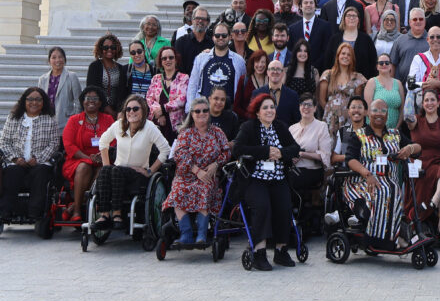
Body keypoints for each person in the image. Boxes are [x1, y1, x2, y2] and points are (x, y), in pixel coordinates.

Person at [233, 93, 300, 270]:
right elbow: (238, 149)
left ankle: (281, 250)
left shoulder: (280, 127)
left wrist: (281, 153)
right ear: (257, 112)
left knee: (284, 206)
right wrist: (264, 152)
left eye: (272, 107)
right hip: (254, 178)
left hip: (278, 177)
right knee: (262, 206)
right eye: (265, 108)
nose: (270, 110)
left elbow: (295, 148)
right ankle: (260, 252)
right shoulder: (249, 127)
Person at [343, 99, 422, 249]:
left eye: (383, 111)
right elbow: (350, 160)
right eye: (375, 110)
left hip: (389, 182)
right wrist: (367, 174)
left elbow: (419, 148)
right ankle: (376, 240)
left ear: (387, 115)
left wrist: (410, 149)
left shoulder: (395, 134)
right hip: (360, 182)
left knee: (393, 190)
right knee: (382, 191)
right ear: (368, 114)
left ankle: (391, 238)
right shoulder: (359, 135)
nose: (379, 114)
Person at [162, 96, 230, 246]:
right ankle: (186, 234)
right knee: (178, 191)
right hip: (187, 174)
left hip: (209, 175)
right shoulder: (186, 133)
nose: (202, 113)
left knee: (205, 189)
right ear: (192, 114)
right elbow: (179, 154)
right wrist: (196, 170)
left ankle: (201, 234)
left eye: (205, 110)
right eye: (197, 111)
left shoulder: (217, 132)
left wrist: (216, 164)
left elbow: (226, 152)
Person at [95, 95, 171, 230]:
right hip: (117, 172)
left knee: (115, 170)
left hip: (137, 175)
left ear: (143, 111)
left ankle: (117, 214)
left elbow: (166, 150)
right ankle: (105, 214)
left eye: (136, 109)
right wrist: (106, 164)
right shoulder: (119, 125)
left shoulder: (150, 127)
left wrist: (150, 171)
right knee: (106, 170)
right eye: (128, 109)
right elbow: (103, 142)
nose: (131, 112)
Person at [403, 89, 440, 243]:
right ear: (422, 103)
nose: (429, 103)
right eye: (426, 100)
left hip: (439, 160)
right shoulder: (416, 120)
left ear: (439, 102)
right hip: (420, 162)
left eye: (432, 100)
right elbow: (406, 114)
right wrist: (410, 92)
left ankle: (436, 202)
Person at [0, 87, 61, 221]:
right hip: (17, 162)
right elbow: (4, 142)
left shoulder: (50, 119)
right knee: (11, 173)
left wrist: (38, 159)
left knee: (41, 173)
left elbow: (54, 143)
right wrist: (16, 158)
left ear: (43, 102)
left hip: (40, 162)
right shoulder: (14, 118)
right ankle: (6, 211)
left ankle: (35, 211)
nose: (34, 102)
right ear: (24, 101)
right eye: (31, 99)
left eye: (38, 99)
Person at [61, 87, 115, 222]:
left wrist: (102, 155)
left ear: (101, 102)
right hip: (78, 159)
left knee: (103, 170)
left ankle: (75, 205)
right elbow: (68, 144)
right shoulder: (74, 120)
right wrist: (87, 158)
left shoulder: (108, 119)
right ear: (82, 102)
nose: (91, 101)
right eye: (87, 98)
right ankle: (78, 210)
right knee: (84, 167)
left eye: (95, 98)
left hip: (103, 158)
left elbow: (114, 141)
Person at [187, 22, 246, 113]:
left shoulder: (239, 61)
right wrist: (190, 109)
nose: (221, 38)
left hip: (228, 111)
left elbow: (242, 88)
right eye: (217, 35)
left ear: (230, 37)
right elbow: (193, 85)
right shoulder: (201, 58)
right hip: (204, 110)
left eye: (224, 35)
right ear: (213, 37)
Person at [320, 44, 367, 145]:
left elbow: (358, 101)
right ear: (338, 56)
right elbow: (321, 99)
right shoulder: (328, 75)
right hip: (330, 119)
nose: (345, 56)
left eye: (349, 55)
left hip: (348, 119)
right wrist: (333, 111)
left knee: (346, 147)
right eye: (343, 53)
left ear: (352, 58)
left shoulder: (357, 78)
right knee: (328, 147)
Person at [288, 94, 331, 194]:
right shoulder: (292, 128)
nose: (306, 107)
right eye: (303, 104)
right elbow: (286, 149)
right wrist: (290, 157)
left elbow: (325, 155)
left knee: (289, 181)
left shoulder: (321, 126)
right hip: (292, 168)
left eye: (309, 105)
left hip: (311, 170)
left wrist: (303, 154)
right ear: (299, 107)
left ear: (315, 108)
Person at [146, 46, 188, 143]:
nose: (167, 60)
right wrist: (159, 115)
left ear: (176, 59)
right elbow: (149, 98)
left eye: (171, 57)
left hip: (175, 126)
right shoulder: (156, 78)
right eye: (164, 58)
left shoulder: (183, 78)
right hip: (157, 122)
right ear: (161, 61)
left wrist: (163, 109)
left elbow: (181, 100)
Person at [324, 4, 377, 80]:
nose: (351, 18)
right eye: (348, 16)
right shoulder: (334, 39)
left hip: (361, 83)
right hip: (337, 81)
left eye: (354, 16)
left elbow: (373, 62)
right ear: (344, 19)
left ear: (358, 20)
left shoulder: (366, 39)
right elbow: (327, 61)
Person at [38, 45, 83, 127]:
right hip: (46, 121)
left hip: (66, 121)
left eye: (60, 57)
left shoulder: (72, 76)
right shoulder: (42, 79)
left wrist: (77, 120)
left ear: (65, 59)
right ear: (49, 61)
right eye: (54, 57)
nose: (57, 60)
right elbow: (40, 101)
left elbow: (78, 101)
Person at [409, 28, 440, 98]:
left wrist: (439, 84)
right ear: (427, 40)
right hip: (422, 105)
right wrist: (426, 84)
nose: (435, 39)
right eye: (432, 37)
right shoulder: (418, 58)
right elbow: (410, 84)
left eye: (438, 37)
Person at [86, 33, 129, 114]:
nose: (109, 50)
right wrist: (109, 110)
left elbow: (122, 92)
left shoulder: (121, 68)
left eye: (113, 47)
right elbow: (92, 90)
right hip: (98, 110)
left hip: (116, 111)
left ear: (117, 49)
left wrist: (118, 112)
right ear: (100, 49)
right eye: (106, 47)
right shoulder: (95, 66)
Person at [288, 0, 332, 72]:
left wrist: (313, 67)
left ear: (315, 6)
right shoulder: (292, 29)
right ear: (300, 6)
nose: (308, 5)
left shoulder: (326, 26)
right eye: (305, 3)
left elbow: (326, 51)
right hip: (297, 71)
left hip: (318, 71)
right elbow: (291, 51)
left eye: (311, 3)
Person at [364, 52, 406, 129]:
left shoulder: (398, 83)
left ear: (391, 66)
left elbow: (402, 108)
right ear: (377, 66)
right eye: (381, 63)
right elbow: (368, 109)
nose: (384, 65)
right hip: (375, 129)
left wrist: (397, 128)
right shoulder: (372, 82)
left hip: (395, 130)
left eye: (387, 63)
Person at [254, 60, 302, 127]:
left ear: (283, 73)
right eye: (272, 69)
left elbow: (297, 122)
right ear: (267, 72)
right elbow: (253, 118)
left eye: (278, 69)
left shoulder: (293, 95)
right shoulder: (257, 94)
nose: (275, 72)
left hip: (285, 135)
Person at [392, 8, 429, 82]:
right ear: (410, 22)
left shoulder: (432, 40)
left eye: (421, 19)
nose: (418, 21)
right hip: (402, 88)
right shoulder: (399, 40)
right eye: (415, 19)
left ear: (425, 21)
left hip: (427, 89)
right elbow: (393, 65)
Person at [174, 5, 213, 75]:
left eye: (203, 19)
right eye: (197, 18)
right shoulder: (180, 42)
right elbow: (178, 67)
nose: (200, 21)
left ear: (208, 22)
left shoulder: (212, 44)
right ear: (192, 20)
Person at [235, 50, 269, 120]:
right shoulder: (244, 80)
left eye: (263, 62)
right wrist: (250, 116)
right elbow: (236, 106)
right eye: (257, 62)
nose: (260, 65)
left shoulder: (270, 79)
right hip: (248, 122)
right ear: (252, 63)